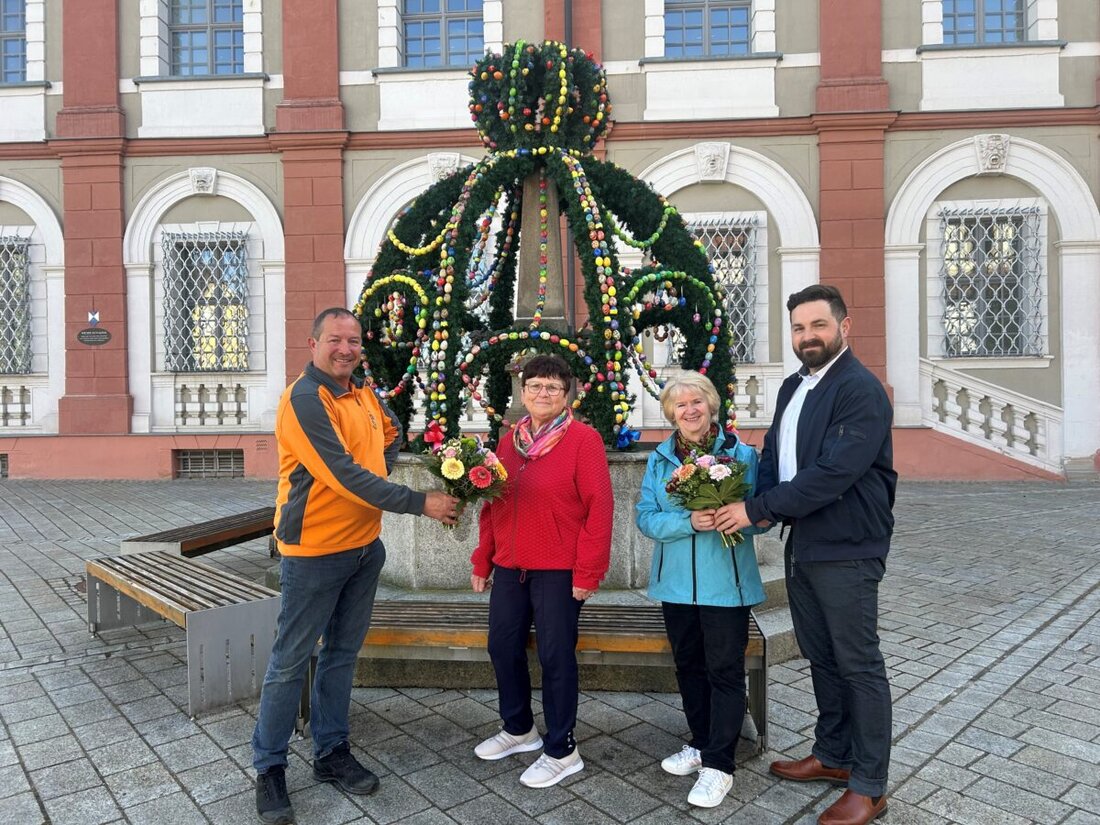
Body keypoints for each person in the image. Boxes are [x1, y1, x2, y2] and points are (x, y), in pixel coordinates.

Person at [252, 307, 459, 825]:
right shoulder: (305, 398)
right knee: (290, 663)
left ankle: (330, 752)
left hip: (365, 547)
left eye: (354, 341)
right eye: (335, 340)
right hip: (315, 553)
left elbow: (386, 437)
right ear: (313, 342)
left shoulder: (362, 391)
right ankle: (270, 768)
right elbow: (341, 473)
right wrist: (419, 502)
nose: (346, 349)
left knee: (342, 655)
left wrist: (383, 466)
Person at [715, 284, 896, 825]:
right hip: (806, 543)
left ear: (844, 326)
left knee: (858, 664)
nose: (807, 336)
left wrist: (758, 508)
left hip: (847, 545)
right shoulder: (795, 384)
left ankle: (870, 785)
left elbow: (834, 471)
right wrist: (763, 506)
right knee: (821, 655)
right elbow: (777, 450)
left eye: (818, 325)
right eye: (798, 327)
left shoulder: (860, 389)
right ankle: (834, 756)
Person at [469, 354, 613, 788]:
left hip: (558, 570)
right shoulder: (509, 442)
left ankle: (563, 749)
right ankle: (519, 729)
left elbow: (599, 508)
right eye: (534, 386)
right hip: (511, 567)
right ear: (523, 392)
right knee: (502, 646)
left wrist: (588, 571)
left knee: (554, 657)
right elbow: (493, 503)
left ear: (567, 392)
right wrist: (483, 557)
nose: (542, 393)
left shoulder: (583, 441)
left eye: (552, 387)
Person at [635, 371, 766, 809]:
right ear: (671, 413)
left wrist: (742, 513)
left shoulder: (742, 454)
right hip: (675, 586)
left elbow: (764, 515)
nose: (690, 410)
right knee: (689, 666)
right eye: (680, 405)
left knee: (724, 671)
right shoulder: (659, 459)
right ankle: (701, 740)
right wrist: (687, 522)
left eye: (697, 402)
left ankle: (720, 765)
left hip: (725, 584)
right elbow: (646, 518)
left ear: (711, 406)